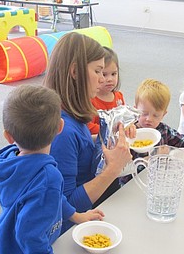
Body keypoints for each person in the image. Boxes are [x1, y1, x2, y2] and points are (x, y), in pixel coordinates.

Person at [0, 85, 105, 254]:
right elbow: (29, 236)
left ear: (8, 137)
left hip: (3, 244)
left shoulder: (8, 161)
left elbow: (55, 196)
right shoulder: (48, 177)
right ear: (60, 127)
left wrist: (76, 216)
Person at [43, 32, 133, 233]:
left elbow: (79, 146)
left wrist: (106, 138)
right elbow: (66, 207)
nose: (103, 80)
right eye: (98, 71)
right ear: (75, 71)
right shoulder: (62, 130)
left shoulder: (71, 112)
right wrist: (113, 169)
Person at [120, 78, 184, 185]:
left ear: (164, 114)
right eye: (144, 113)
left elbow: (179, 140)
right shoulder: (129, 133)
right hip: (132, 184)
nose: (149, 119)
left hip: (158, 180)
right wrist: (153, 157)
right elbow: (125, 171)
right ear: (135, 110)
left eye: (156, 115)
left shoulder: (163, 130)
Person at [87, 46, 125, 135]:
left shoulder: (119, 96)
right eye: (104, 74)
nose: (110, 79)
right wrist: (110, 129)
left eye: (113, 74)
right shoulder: (91, 100)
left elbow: (123, 118)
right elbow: (88, 127)